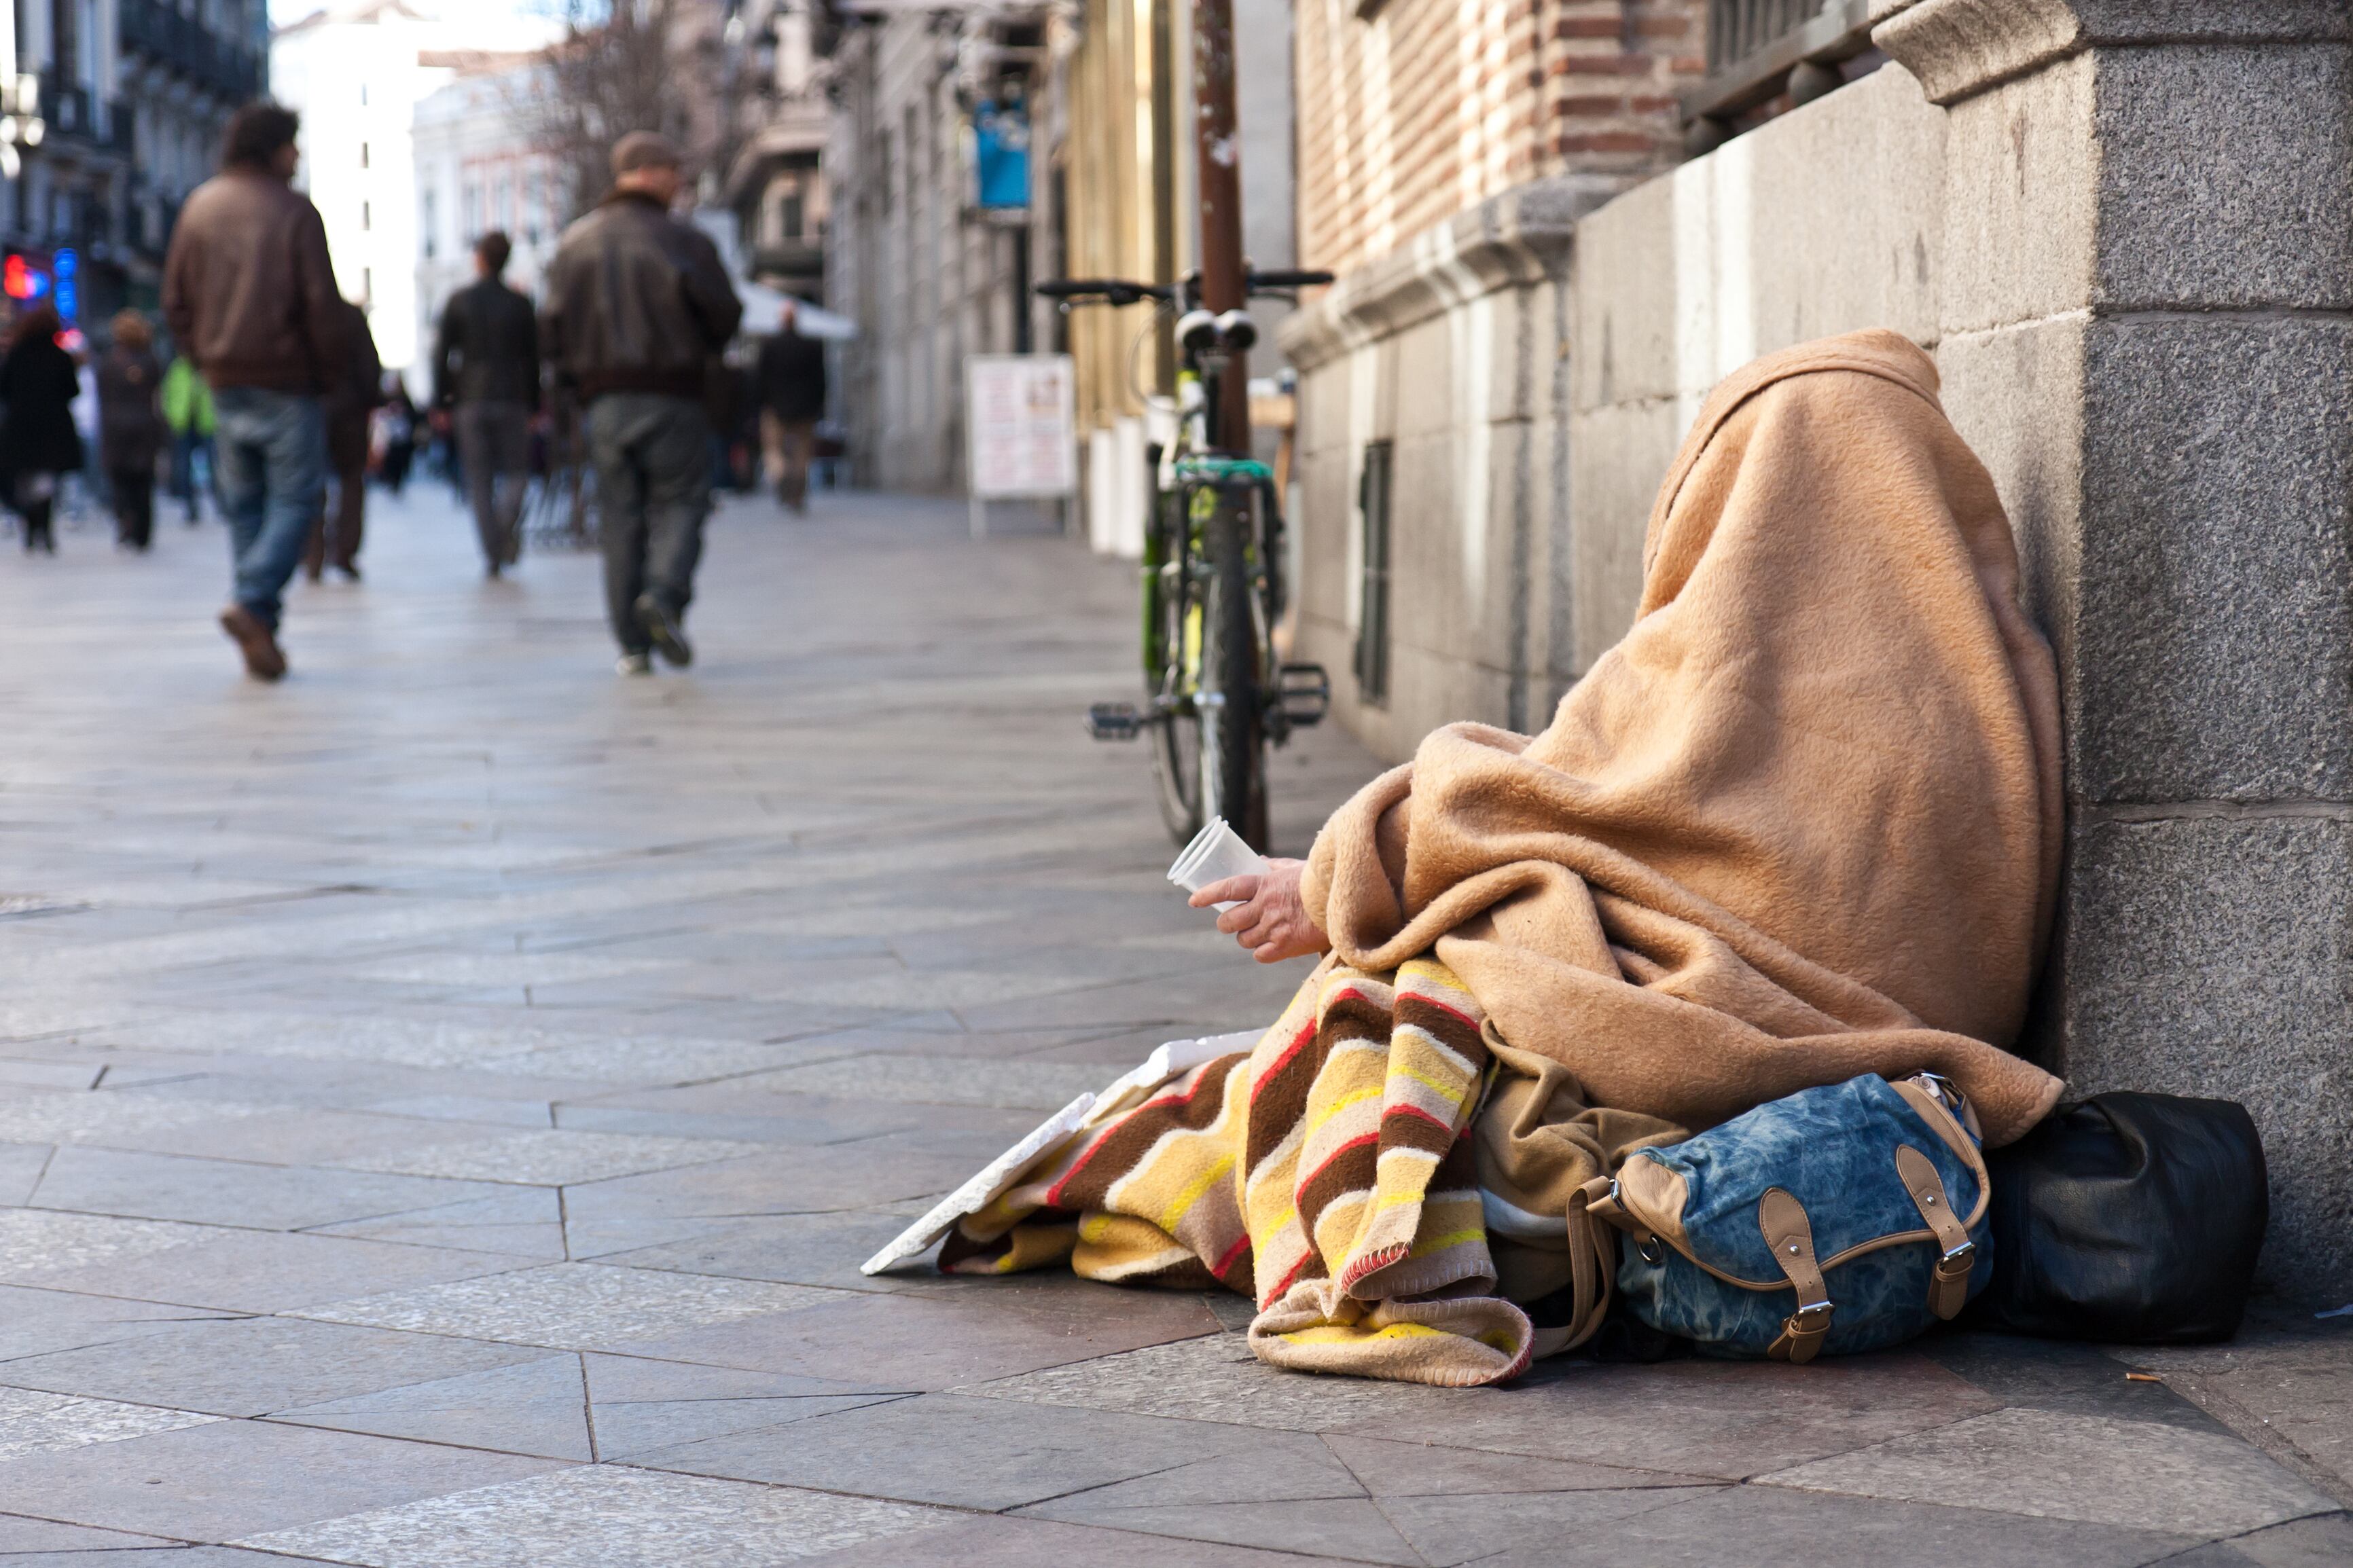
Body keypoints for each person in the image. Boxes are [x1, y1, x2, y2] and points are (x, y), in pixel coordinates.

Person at [541, 130, 742, 674]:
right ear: (649, 172)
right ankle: (664, 593)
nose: (681, 184)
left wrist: (570, 389)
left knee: (621, 515)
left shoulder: (574, 243)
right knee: (681, 499)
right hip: (672, 392)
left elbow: (551, 330)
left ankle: (631, 644)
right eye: (675, 171)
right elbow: (725, 316)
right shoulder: (684, 241)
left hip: (603, 400)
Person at [162, 101, 347, 682]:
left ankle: (258, 623)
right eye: (293, 144)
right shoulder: (295, 213)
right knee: (295, 499)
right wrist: (329, 371)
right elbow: (322, 306)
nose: (298, 155)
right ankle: (253, 601)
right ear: (272, 147)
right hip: (287, 380)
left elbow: (175, 302)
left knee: (244, 506)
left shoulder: (199, 208)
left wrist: (204, 356)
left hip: (224, 379)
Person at [433, 229, 539, 577]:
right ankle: (504, 529)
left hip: (471, 399)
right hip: (511, 396)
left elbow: (443, 354)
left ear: (479, 258)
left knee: (479, 479)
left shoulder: (460, 300)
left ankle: (493, 549)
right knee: (516, 473)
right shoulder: (519, 303)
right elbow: (532, 360)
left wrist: (442, 402)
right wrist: (535, 405)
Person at [304, 296, 380, 582]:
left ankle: (315, 554)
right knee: (351, 480)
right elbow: (370, 365)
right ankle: (345, 552)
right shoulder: (351, 315)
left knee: (313, 482)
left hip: (313, 408)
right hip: (349, 408)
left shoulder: (303, 314)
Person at [0, 306, 84, 555]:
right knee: (46, 481)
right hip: (53, 427)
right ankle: (44, 530)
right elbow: (73, 390)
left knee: (25, 479)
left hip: (21, 427)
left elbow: (3, 388)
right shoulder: (59, 356)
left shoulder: (16, 355)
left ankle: (30, 528)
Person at [97, 312, 166, 551]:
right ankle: (142, 532)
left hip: (116, 426)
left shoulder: (109, 362)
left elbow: (103, 398)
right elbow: (158, 396)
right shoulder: (151, 360)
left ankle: (125, 521)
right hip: (145, 425)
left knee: (120, 480)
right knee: (143, 481)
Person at [755, 302, 825, 512]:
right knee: (802, 455)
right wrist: (817, 406)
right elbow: (820, 381)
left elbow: (760, 379)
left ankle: (783, 475)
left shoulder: (770, 346)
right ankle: (797, 494)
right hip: (805, 409)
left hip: (776, 408)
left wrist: (763, 403)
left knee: (773, 451)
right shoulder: (811, 346)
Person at [162, 352, 215, 524]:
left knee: (216, 464)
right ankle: (189, 504)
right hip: (183, 423)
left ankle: (222, 502)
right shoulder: (178, 368)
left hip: (206, 421)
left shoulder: (208, 365)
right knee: (183, 466)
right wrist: (172, 417)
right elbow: (167, 394)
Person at [376, 376, 418, 495]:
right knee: (391, 462)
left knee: (399, 463)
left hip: (403, 439)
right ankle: (391, 482)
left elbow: (413, 417)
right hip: (390, 437)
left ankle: (397, 483)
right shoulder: (385, 399)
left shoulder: (406, 400)